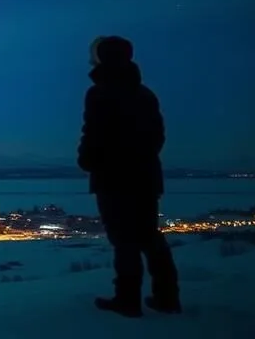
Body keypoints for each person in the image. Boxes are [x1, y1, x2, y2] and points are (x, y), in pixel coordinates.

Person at [77, 35, 181, 317]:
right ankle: (167, 297)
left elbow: (94, 134)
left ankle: (127, 299)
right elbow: (157, 137)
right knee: (149, 236)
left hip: (113, 178)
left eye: (95, 55)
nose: (91, 59)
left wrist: (89, 160)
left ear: (104, 58)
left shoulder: (100, 93)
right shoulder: (145, 94)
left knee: (123, 239)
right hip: (145, 177)